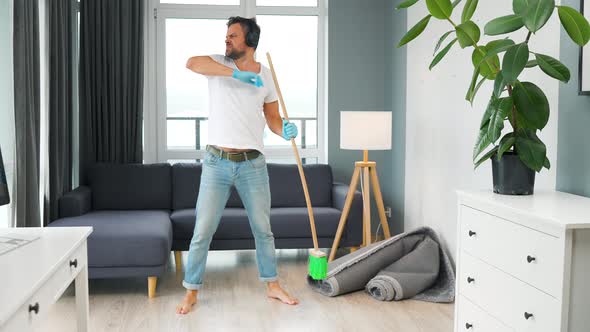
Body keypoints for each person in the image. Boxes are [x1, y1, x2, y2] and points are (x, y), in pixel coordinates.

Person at [176, 16, 300, 315]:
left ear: (250, 41)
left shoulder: (267, 76)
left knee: (263, 229)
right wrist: (235, 76)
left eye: (232, 35)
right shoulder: (219, 65)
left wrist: (283, 128)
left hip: (252, 164)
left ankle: (272, 285)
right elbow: (191, 63)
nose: (227, 40)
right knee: (202, 230)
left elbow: (271, 117)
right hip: (216, 163)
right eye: (227, 35)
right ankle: (191, 291)